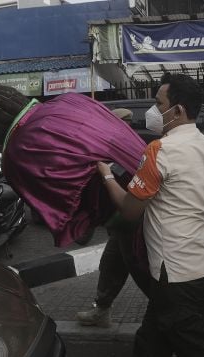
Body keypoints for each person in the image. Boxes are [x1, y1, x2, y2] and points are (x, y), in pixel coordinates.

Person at [97, 73, 204, 357]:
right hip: (199, 265)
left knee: (201, 351)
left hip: (173, 273)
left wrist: (106, 175)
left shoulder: (159, 150)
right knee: (151, 344)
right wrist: (202, 200)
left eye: (158, 103)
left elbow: (129, 210)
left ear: (177, 110)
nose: (153, 110)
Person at [76, 107, 137, 327]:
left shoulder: (129, 150)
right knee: (110, 264)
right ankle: (102, 309)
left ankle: (168, 316)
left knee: (145, 272)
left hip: (136, 222)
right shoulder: (105, 150)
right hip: (119, 223)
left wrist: (107, 174)